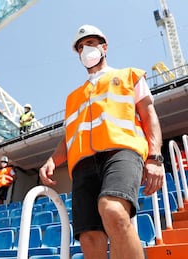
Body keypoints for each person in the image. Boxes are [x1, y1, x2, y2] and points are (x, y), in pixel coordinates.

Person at [39, 24, 164, 259]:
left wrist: (155, 157)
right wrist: (52, 160)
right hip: (82, 165)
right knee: (89, 238)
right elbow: (69, 137)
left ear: (104, 47)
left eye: (91, 43)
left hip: (122, 152)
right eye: (80, 47)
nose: (85, 49)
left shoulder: (129, 76)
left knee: (113, 210)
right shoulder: (73, 98)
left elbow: (149, 116)